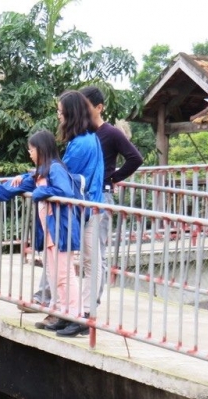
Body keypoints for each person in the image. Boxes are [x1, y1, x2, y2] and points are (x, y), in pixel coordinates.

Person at [0, 130, 83, 330]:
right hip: (51, 231)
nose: (29, 153)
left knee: (64, 274)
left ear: (41, 149)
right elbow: (12, 188)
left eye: (31, 149)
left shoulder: (56, 169)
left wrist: (39, 192)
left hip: (62, 229)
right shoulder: (39, 173)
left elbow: (64, 191)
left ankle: (76, 317)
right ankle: (61, 313)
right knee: (54, 273)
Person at [79, 85, 143, 297]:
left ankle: (93, 302)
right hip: (83, 196)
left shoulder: (112, 133)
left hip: (102, 196)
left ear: (99, 107)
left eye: (86, 107)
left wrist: (114, 177)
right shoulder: (83, 133)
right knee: (84, 251)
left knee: (97, 251)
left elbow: (135, 158)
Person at [51, 89, 105, 337]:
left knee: (87, 263)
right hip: (88, 207)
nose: (59, 116)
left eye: (61, 112)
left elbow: (61, 175)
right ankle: (75, 312)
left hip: (86, 209)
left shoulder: (81, 143)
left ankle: (84, 315)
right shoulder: (85, 138)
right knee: (84, 263)